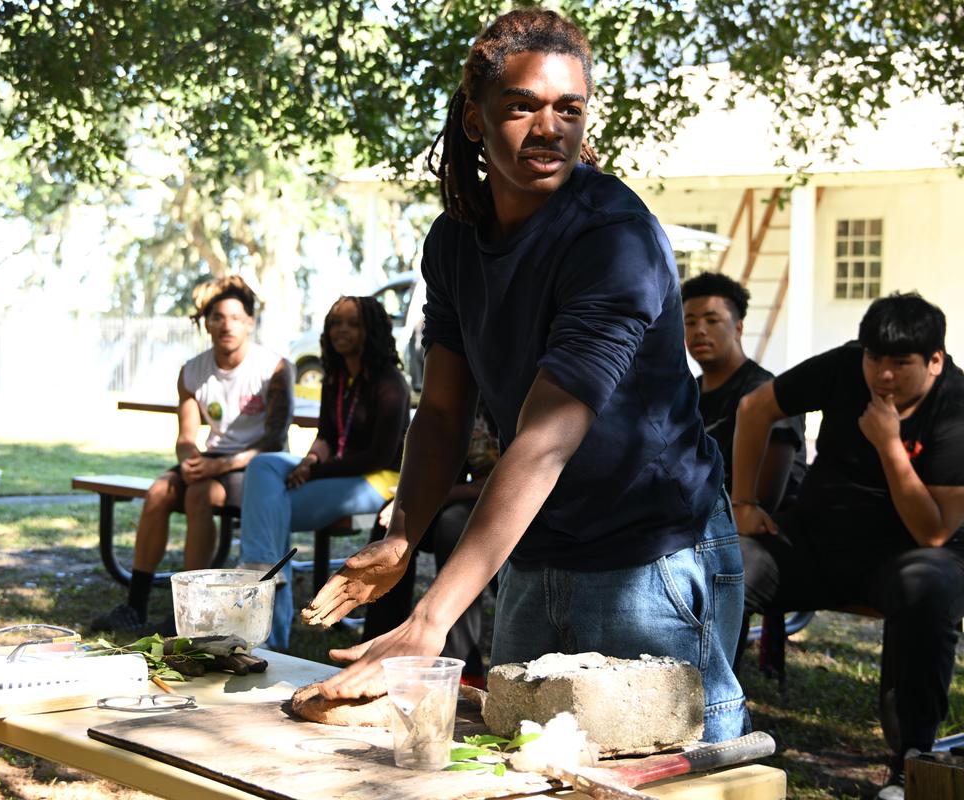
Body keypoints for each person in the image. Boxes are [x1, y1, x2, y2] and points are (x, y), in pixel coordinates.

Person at [302, 8, 748, 744]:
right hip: (530, 547)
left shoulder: (613, 237)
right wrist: (402, 537)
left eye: (569, 108)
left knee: (662, 773)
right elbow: (442, 412)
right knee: (523, 756)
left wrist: (430, 619)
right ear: (475, 120)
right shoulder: (454, 241)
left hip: (650, 556)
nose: (549, 129)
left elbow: (544, 440)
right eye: (522, 107)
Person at [732, 292, 964, 799]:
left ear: (934, 360)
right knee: (729, 565)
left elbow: (933, 532)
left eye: (900, 363)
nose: (883, 375)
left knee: (930, 587)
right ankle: (712, 725)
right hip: (818, 539)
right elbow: (755, 407)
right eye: (874, 358)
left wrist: (889, 444)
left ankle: (910, 763)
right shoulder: (843, 367)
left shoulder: (956, 406)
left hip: (908, 555)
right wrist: (744, 502)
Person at [90, 276, 293, 633]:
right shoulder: (193, 371)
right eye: (218, 317)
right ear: (206, 323)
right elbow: (186, 436)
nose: (226, 325)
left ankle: (188, 612)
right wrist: (189, 459)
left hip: (258, 466)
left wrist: (220, 465)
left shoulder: (274, 367)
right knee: (158, 492)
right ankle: (135, 605)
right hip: (213, 461)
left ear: (250, 322)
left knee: (200, 494)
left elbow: (274, 442)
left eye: (235, 317)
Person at [239, 295, 411, 650]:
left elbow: (378, 456)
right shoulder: (336, 377)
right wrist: (310, 461)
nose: (341, 331)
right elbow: (327, 436)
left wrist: (318, 472)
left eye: (352, 324)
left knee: (271, 509)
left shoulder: (390, 383)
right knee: (263, 466)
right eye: (335, 323)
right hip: (336, 472)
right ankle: (267, 599)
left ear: (371, 331)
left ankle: (268, 628)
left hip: (378, 481)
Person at [681, 271, 807, 679]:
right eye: (689, 321)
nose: (699, 330)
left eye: (712, 320)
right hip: (693, 523)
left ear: (738, 327)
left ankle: (711, 688)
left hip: (763, 534)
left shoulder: (764, 392)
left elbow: (765, 498)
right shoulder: (685, 394)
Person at [361, 402, 500, 687]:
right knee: (389, 528)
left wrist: (440, 497)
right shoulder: (469, 398)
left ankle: (462, 667)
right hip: (466, 496)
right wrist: (404, 506)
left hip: (511, 505)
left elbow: (498, 480)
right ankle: (378, 651)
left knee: (454, 527)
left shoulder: (502, 403)